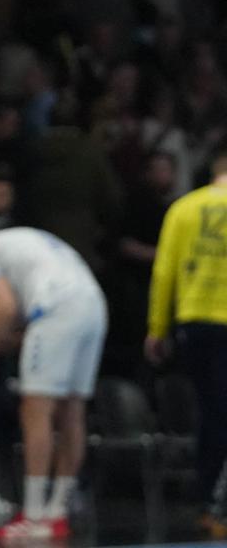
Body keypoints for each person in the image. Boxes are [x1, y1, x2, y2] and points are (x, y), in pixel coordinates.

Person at [0, 227, 108, 541]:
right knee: (72, 411)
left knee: (36, 409)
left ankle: (34, 516)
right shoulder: (23, 241)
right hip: (93, 305)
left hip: (56, 306)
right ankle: (56, 513)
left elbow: (3, 308)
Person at [146, 145, 227, 534]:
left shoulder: (184, 208)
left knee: (211, 414)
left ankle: (210, 505)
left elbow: (164, 273)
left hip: (197, 322)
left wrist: (157, 328)